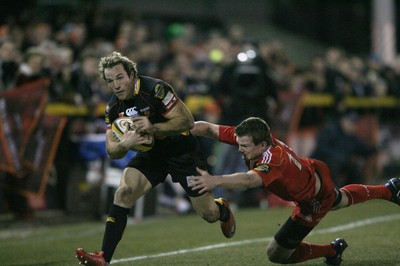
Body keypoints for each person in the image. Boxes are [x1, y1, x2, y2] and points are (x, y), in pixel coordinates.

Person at [75, 52, 235, 266]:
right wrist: (125, 144)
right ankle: (103, 258)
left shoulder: (156, 89)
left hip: (182, 151)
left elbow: (186, 122)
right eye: (110, 81)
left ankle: (222, 210)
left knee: (208, 214)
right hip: (151, 154)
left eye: (120, 78)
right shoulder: (113, 108)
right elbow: (112, 150)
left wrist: (153, 127)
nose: (116, 85)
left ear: (132, 74)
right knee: (124, 192)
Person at [189, 117, 400, 265]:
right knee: (341, 199)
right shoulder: (253, 139)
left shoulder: (273, 160)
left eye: (244, 146)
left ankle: (332, 250)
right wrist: (178, 129)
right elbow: (207, 128)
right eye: (239, 143)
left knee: (276, 254)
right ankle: (388, 190)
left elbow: (248, 180)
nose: (239, 148)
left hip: (313, 199)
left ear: (263, 145)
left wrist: (214, 180)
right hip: (310, 174)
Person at [311, 111, 378, 187]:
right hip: (321, 162)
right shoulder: (330, 131)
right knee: (334, 163)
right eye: (351, 122)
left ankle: (351, 191)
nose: (353, 125)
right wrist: (339, 156)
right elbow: (322, 148)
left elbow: (361, 150)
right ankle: (334, 191)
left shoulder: (350, 136)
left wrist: (374, 149)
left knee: (354, 167)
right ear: (343, 121)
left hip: (339, 162)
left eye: (354, 123)